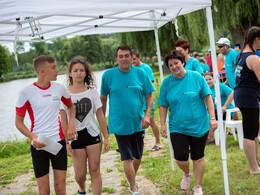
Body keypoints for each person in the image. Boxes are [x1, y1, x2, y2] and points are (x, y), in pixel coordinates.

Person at [157, 51, 217, 195]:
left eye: (176, 63)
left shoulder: (196, 77)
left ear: (183, 62)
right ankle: (187, 173)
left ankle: (198, 186)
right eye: (170, 65)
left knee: (198, 156)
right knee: (180, 157)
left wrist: (212, 118)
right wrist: (163, 125)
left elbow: (208, 98)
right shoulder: (167, 82)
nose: (174, 66)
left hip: (199, 125)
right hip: (178, 126)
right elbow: (163, 105)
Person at [15, 55, 77, 195]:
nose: (57, 70)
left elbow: (71, 106)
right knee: (44, 191)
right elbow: (18, 122)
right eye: (53, 67)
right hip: (39, 145)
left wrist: (71, 123)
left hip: (59, 143)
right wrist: (33, 137)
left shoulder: (59, 89)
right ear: (42, 71)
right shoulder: (25, 93)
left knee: (61, 187)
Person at [100, 45, 155, 195]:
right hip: (118, 123)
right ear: (116, 59)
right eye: (121, 56)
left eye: (126, 56)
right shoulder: (108, 75)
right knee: (127, 157)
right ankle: (134, 188)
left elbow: (149, 96)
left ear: (132, 57)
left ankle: (132, 178)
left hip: (138, 122)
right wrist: (102, 120)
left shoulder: (141, 73)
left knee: (137, 156)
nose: (124, 59)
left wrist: (147, 115)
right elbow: (103, 99)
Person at [60, 56, 110, 195]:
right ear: (70, 73)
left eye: (82, 70)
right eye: (75, 70)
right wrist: (66, 142)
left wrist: (106, 137)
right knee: (80, 175)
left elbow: (100, 116)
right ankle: (81, 188)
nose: (79, 73)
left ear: (86, 73)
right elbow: (63, 119)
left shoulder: (92, 92)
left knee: (95, 170)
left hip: (92, 134)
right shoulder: (64, 95)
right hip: (75, 136)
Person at [234, 26, 260, 175]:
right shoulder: (254, 58)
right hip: (248, 97)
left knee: (253, 131)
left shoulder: (242, 55)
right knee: (250, 133)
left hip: (243, 96)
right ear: (256, 39)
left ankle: (256, 160)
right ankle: (253, 167)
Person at [131, 49, 163, 151]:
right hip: (136, 102)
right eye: (131, 59)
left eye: (134, 59)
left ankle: (158, 142)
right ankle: (133, 144)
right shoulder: (130, 69)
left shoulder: (146, 68)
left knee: (152, 122)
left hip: (146, 101)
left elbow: (149, 85)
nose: (133, 61)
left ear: (139, 57)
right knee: (135, 123)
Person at [204, 72, 239, 144]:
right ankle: (205, 138)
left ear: (213, 79)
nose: (208, 82)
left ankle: (210, 139)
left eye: (209, 79)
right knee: (204, 115)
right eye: (206, 80)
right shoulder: (206, 88)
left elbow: (232, 93)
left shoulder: (220, 86)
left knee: (209, 116)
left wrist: (225, 106)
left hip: (225, 110)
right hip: (215, 110)